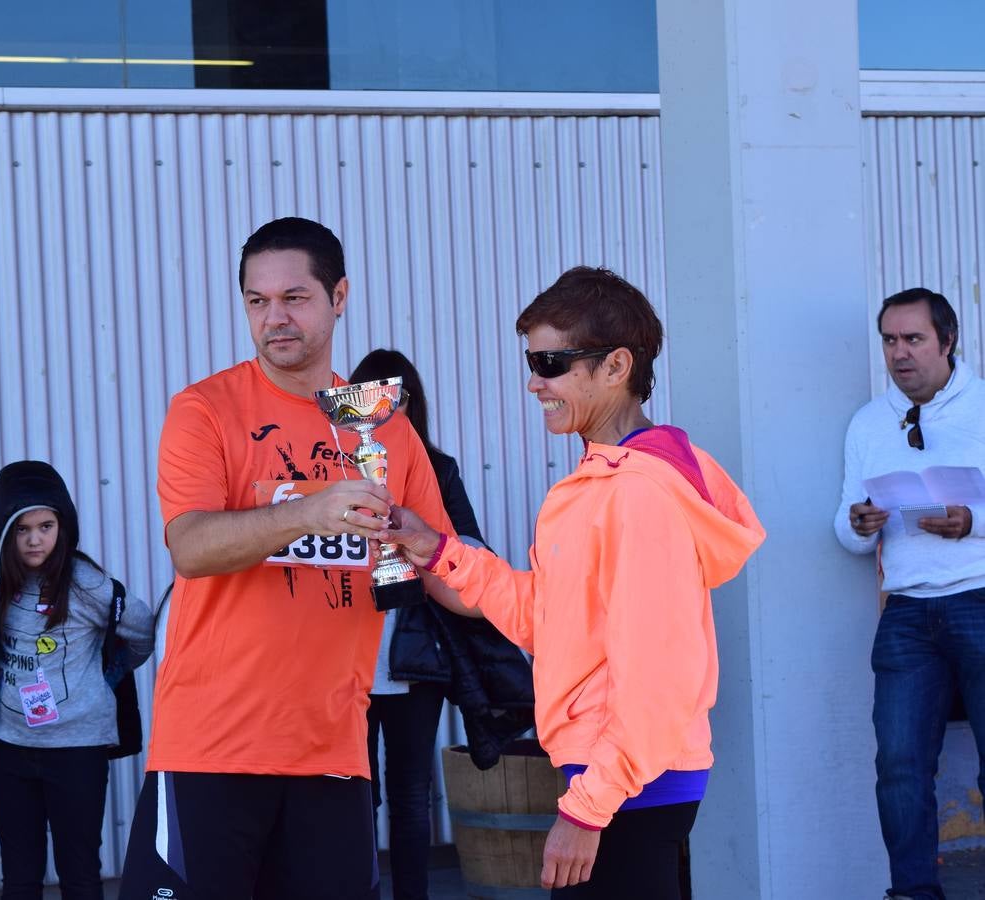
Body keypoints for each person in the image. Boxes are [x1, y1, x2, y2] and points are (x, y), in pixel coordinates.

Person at [381, 267, 765, 898]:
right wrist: (438, 551)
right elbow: (549, 617)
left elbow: (658, 674)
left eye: (553, 362)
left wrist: (588, 808)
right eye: (532, 362)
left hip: (628, 785)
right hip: (620, 777)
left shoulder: (639, 494)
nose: (536, 383)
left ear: (616, 366)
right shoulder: (599, 482)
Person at [117, 217, 454, 900]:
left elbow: (448, 575)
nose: (275, 318)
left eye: (295, 298)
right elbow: (191, 547)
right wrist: (309, 509)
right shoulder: (204, 409)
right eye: (257, 301)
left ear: (340, 296)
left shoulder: (382, 421)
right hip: (210, 748)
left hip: (332, 752)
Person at [348, 348, 532, 900]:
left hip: (414, 658)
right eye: (372, 394)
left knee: (409, 794)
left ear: (410, 402)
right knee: (357, 795)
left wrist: (426, 535)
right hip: (347, 659)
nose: (385, 406)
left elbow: (473, 551)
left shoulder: (436, 466)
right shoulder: (335, 464)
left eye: (396, 395)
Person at [834, 288, 985, 900]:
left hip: (979, 598)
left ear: (947, 341)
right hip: (907, 615)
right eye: (890, 341)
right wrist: (860, 522)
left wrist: (972, 521)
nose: (900, 354)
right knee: (898, 770)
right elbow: (842, 530)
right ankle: (915, 894)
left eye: (914, 339)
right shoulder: (870, 422)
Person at [0, 460, 154, 900]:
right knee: (20, 876)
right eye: (21, 529)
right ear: (4, 532)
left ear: (63, 526)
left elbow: (141, 632)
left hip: (77, 750)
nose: (34, 539)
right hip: (10, 747)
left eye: (45, 525)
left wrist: (105, 677)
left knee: (79, 872)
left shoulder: (88, 584)